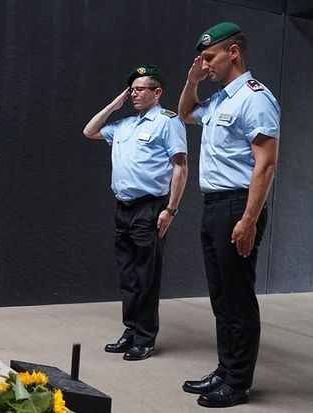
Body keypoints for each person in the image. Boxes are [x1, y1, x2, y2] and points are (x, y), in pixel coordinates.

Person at [178, 22, 280, 408]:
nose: (205, 65)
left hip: (238, 205)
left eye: (209, 57)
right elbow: (186, 112)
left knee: (238, 299)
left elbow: (266, 165)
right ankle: (225, 369)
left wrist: (249, 219)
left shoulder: (255, 98)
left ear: (232, 53)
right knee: (221, 299)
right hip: (214, 206)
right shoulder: (220, 100)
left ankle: (238, 383)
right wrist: (191, 81)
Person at [84, 65, 188, 361]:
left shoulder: (168, 122)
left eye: (140, 89)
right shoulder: (125, 125)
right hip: (124, 209)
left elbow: (181, 167)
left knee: (147, 276)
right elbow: (89, 131)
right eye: (132, 89)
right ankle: (130, 331)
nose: (134, 94)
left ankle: (145, 338)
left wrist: (171, 209)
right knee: (128, 277)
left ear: (157, 92)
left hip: (150, 209)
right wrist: (115, 105)